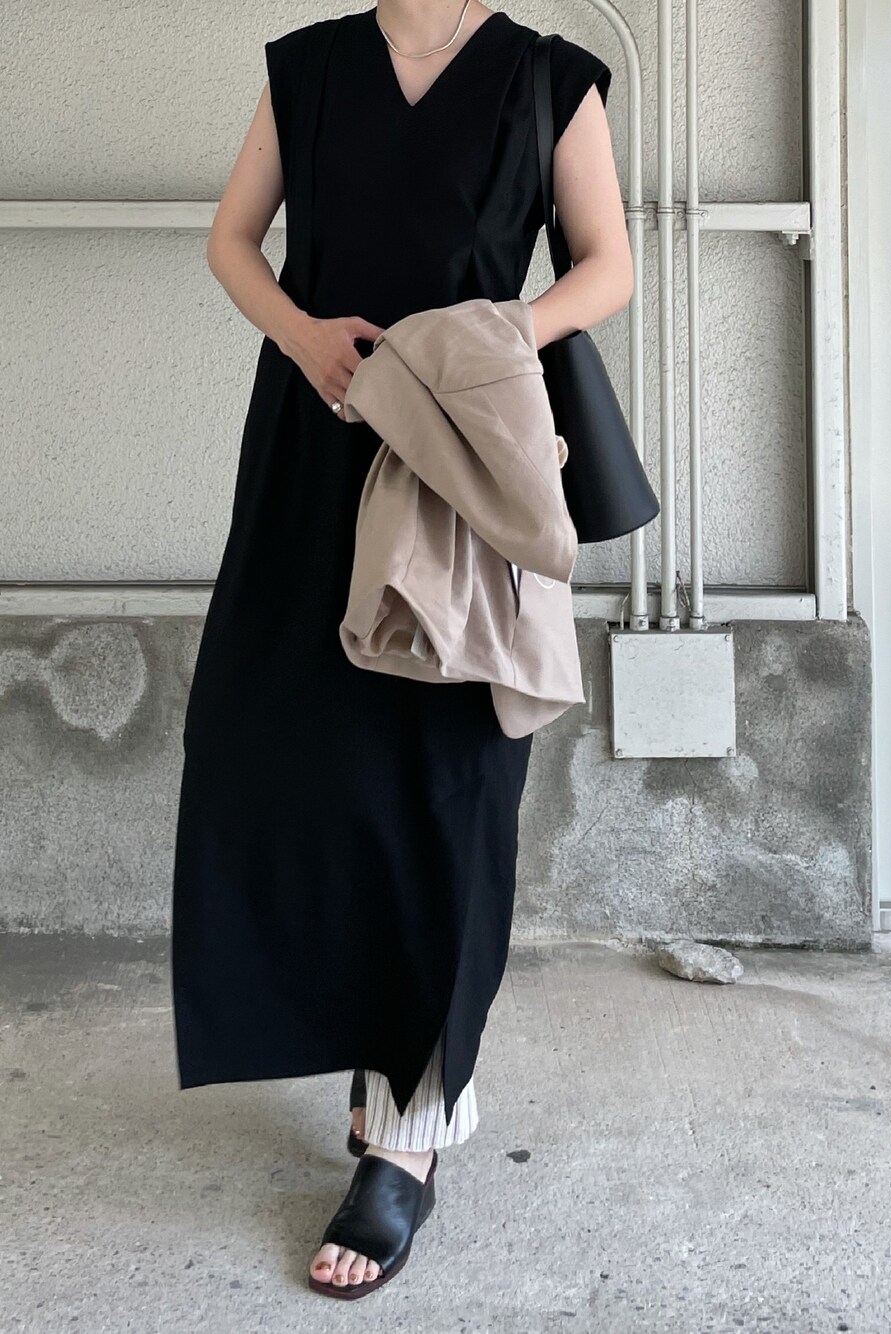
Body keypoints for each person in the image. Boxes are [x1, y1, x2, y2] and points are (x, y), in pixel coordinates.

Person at [170, 0, 633, 1298]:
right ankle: (359, 1051)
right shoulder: (310, 67)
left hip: (466, 456)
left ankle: (406, 1135)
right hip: (317, 445)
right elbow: (232, 239)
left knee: (449, 779)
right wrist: (303, 334)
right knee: (283, 756)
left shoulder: (547, 79)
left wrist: (489, 339)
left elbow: (607, 267)